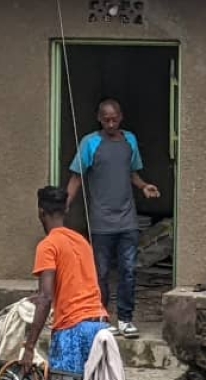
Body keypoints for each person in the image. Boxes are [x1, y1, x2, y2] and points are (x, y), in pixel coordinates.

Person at [66, 99, 160, 339]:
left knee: (129, 270)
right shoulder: (90, 143)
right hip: (101, 221)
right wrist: (64, 204)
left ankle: (126, 319)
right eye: (106, 119)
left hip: (127, 219)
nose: (110, 123)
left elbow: (131, 173)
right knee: (101, 272)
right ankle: (102, 316)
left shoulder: (130, 140)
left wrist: (144, 186)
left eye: (114, 118)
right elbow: (77, 176)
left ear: (121, 117)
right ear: (99, 118)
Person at [21, 186, 109, 379]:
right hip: (99, 327)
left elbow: (45, 297)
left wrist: (29, 347)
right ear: (65, 210)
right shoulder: (81, 242)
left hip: (72, 331)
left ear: (40, 212)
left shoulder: (48, 245)